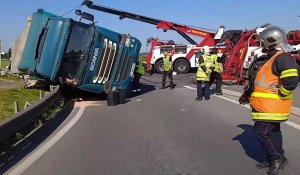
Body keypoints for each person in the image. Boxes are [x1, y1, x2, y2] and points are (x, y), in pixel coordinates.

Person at [239, 26, 299, 175]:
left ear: (271, 41)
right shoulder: (269, 58)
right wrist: (246, 95)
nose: (261, 44)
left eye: (263, 42)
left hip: (273, 106)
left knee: (262, 132)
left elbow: (291, 80)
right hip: (266, 106)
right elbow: (258, 82)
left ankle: (277, 159)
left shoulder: (282, 58)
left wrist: (282, 93)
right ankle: (274, 158)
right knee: (273, 132)